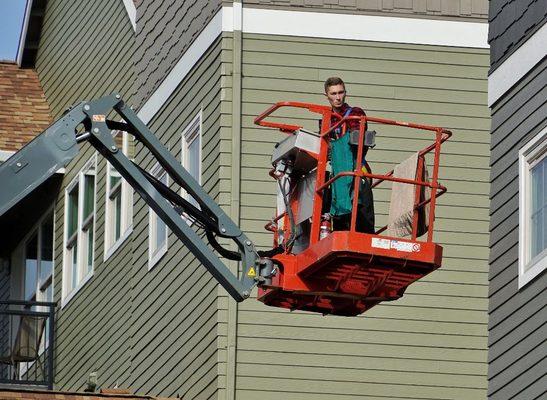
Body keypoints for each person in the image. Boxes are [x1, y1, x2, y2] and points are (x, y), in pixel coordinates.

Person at [323, 77, 375, 234]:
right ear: (327, 95)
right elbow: (323, 147)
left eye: (340, 92)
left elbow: (356, 140)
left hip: (356, 171)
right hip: (337, 176)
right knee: (339, 224)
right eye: (333, 94)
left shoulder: (355, 113)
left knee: (362, 221)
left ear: (345, 93)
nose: (337, 97)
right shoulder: (326, 119)